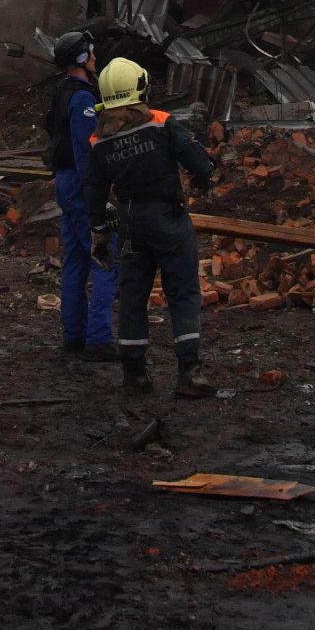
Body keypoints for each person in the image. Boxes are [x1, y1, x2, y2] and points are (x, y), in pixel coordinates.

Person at [84, 57, 217, 400]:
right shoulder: (162, 123)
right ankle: (189, 372)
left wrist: (99, 231)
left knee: (132, 296)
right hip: (168, 218)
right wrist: (206, 173)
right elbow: (200, 163)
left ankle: (134, 375)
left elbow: (94, 192)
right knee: (183, 292)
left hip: (130, 224)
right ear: (140, 88)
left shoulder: (99, 140)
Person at [46, 27, 116, 361]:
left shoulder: (61, 91)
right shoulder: (83, 98)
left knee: (74, 259)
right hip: (80, 185)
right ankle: (99, 338)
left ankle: (73, 335)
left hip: (65, 183)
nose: (95, 58)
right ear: (80, 58)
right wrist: (98, 200)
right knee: (103, 257)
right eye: (90, 53)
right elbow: (85, 151)